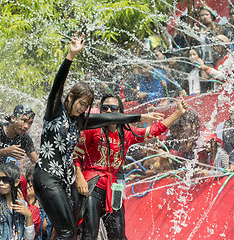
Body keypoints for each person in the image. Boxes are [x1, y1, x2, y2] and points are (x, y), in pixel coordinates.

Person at [33, 32, 164, 239]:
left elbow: (110, 118)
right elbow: (57, 86)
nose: (82, 109)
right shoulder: (54, 112)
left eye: (86, 106)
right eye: (80, 104)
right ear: (70, 98)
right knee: (68, 231)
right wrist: (70, 56)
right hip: (47, 177)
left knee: (71, 230)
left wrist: (140, 115)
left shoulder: (79, 121)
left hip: (64, 180)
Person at [73, 94, 187, 239]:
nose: (109, 111)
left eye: (113, 108)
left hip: (114, 188)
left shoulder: (127, 134)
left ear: (120, 111)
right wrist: (80, 178)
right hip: (92, 185)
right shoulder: (91, 130)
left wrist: (177, 113)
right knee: (89, 234)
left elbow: (155, 130)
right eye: (105, 108)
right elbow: (76, 156)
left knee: (118, 233)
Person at [0, 162, 35, 240]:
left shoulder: (22, 204)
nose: (1, 183)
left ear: (16, 182)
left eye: (5, 180)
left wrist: (29, 216)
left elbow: (29, 238)